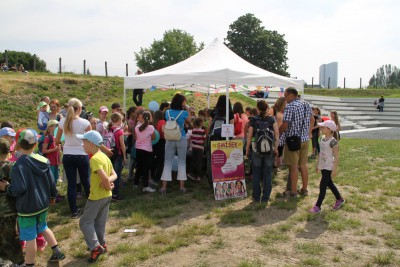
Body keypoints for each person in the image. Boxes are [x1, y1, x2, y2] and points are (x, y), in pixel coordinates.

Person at [0, 129, 65, 265]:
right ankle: (57, 250)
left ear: (18, 144)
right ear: (35, 144)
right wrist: (53, 196)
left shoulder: (18, 166)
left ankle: (29, 264)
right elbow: (51, 182)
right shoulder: (43, 160)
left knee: (30, 237)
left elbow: (19, 188)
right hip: (42, 204)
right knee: (43, 226)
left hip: (27, 207)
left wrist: (6, 187)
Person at [77, 130, 117, 263]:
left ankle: (95, 247)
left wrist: (107, 184)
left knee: (85, 222)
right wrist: (109, 184)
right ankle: (102, 244)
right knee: (99, 222)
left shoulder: (94, 159)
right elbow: (114, 174)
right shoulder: (105, 156)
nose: (82, 145)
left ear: (91, 144)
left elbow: (104, 178)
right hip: (107, 196)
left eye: (84, 142)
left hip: (96, 197)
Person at [56, 98, 91, 218]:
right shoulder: (85, 123)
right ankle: (92, 208)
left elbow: (57, 140)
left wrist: (64, 144)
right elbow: (91, 139)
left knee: (71, 184)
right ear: (80, 109)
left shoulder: (62, 122)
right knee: (86, 181)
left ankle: (74, 211)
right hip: (82, 153)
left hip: (68, 155)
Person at [279, 87, 314, 197]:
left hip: (293, 141)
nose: (285, 98)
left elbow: (285, 125)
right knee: (303, 165)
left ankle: (293, 192)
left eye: (285, 96)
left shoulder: (290, 107)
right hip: (305, 139)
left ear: (291, 94)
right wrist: (309, 132)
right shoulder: (306, 104)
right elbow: (312, 119)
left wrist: (278, 133)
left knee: (293, 167)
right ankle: (304, 189)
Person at [246, 100, 279, 203]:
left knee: (256, 173)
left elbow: (250, 135)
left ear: (257, 108)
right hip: (269, 149)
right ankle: (265, 197)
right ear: (267, 108)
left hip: (256, 149)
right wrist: (276, 147)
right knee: (267, 174)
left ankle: (256, 197)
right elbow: (277, 133)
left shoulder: (253, 120)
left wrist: (247, 148)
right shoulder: (271, 119)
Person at [309, 120, 345, 213]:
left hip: (329, 166)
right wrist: (318, 164)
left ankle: (317, 206)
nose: (321, 128)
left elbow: (336, 157)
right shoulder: (322, 138)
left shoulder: (333, 141)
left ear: (330, 130)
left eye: (323, 127)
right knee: (329, 183)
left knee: (323, 185)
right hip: (323, 165)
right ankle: (339, 199)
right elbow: (321, 153)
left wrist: (334, 169)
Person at [0, 138, 25, 266]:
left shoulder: (10, 167)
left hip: (6, 210)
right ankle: (18, 262)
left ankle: (9, 260)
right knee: (10, 237)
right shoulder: (12, 167)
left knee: (4, 237)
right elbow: (19, 187)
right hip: (10, 209)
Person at [160, 93, 191, 195]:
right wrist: (188, 110)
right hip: (181, 137)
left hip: (169, 138)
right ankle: (181, 187)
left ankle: (163, 188)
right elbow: (189, 122)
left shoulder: (167, 112)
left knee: (167, 162)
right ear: (182, 102)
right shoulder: (184, 113)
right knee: (182, 162)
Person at [133, 110, 156, 192]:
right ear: (150, 118)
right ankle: (145, 186)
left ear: (142, 117)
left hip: (138, 149)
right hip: (147, 150)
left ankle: (135, 184)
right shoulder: (151, 128)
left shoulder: (136, 127)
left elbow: (136, 138)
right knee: (146, 168)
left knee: (139, 167)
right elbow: (153, 138)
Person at [107, 113, 127, 200]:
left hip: (109, 153)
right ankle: (115, 194)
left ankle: (108, 192)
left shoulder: (109, 129)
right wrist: (125, 157)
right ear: (119, 121)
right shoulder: (120, 131)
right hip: (117, 154)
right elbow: (122, 145)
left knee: (109, 173)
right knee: (116, 174)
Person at [188, 118, 207, 182]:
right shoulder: (202, 131)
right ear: (201, 123)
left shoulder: (193, 130)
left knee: (194, 160)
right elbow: (204, 139)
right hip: (200, 148)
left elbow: (192, 138)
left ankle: (191, 173)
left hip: (194, 147)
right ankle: (199, 176)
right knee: (199, 162)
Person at [152, 110, 166, 182]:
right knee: (160, 161)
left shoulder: (153, 123)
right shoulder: (162, 122)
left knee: (154, 160)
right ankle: (158, 177)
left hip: (154, 143)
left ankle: (152, 176)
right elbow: (163, 132)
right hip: (161, 142)